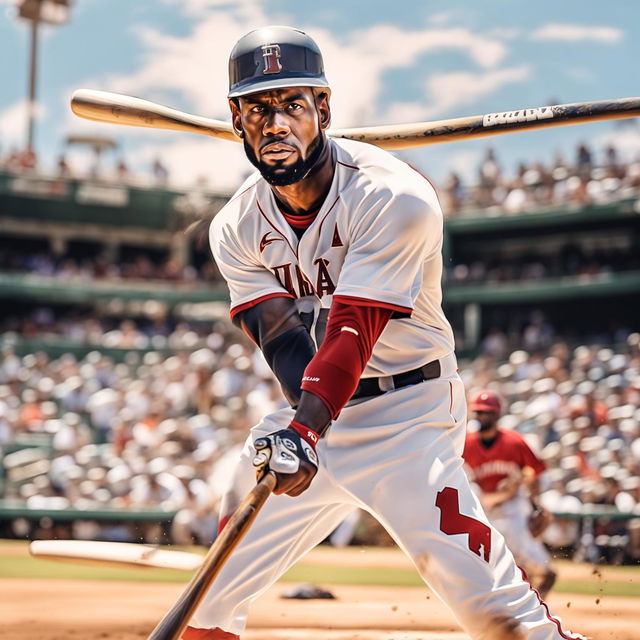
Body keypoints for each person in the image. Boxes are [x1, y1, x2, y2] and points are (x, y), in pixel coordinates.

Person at [185, 26, 584, 640]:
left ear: (324, 108)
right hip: (318, 412)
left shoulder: (395, 197)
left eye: (293, 104)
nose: (276, 123)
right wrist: (307, 427)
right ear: (236, 119)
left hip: (410, 418)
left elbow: (354, 330)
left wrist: (306, 429)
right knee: (205, 605)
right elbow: (283, 338)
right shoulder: (235, 225)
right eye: (258, 108)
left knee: (501, 622)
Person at [462, 390, 557, 598]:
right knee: (484, 557)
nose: (482, 417)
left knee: (518, 547)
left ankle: (540, 581)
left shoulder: (513, 442)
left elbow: (536, 471)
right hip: (483, 505)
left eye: (487, 413)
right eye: (479, 412)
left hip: (511, 506)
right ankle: (515, 595)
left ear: (497, 415)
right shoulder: (467, 443)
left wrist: (536, 505)